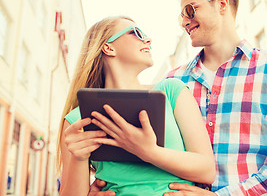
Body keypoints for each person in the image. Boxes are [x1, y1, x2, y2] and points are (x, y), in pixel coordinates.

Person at [88, 0, 267, 196]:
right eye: (181, 16)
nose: (184, 22)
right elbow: (145, 155)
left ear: (222, 4)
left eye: (190, 10)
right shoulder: (172, 83)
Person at [56, 16, 215, 196]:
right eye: (136, 33)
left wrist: (150, 152)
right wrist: (78, 158)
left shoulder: (171, 91)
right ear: (108, 47)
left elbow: (207, 170)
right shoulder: (77, 120)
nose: (147, 39)